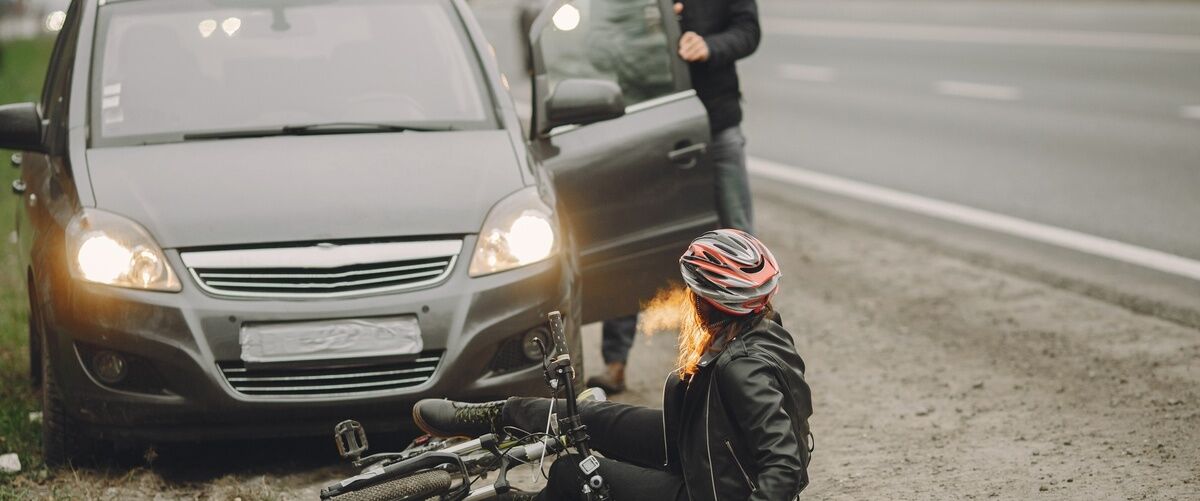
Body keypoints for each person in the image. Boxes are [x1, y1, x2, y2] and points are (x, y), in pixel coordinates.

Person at [414, 229, 813, 501]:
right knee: (589, 415)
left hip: (706, 489)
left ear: (708, 301)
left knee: (572, 472)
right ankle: (492, 415)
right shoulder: (760, 330)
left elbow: (784, 461)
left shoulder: (742, 366)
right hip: (703, 449)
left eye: (692, 291)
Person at [590, 0, 762, 394]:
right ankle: (615, 363)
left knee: (738, 239)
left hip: (713, 124)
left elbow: (748, 32)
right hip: (641, 126)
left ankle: (752, 356)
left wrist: (709, 45)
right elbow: (598, 35)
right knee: (627, 238)